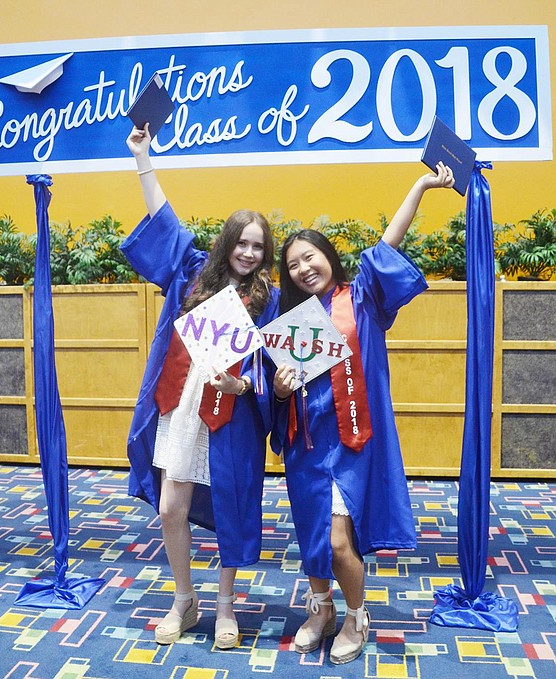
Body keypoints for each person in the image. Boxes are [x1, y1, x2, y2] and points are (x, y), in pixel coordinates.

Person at [271, 162, 455, 665]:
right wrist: (282, 391)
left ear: (329, 257)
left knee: (336, 541)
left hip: (351, 441)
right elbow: (278, 390)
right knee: (311, 531)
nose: (305, 268)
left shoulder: (363, 297)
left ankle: (356, 615)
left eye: (311, 257)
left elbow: (388, 244)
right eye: (293, 265)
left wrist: (420, 186)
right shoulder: (288, 321)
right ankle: (320, 609)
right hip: (305, 444)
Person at [121, 124, 279, 649]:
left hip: (232, 408)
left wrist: (248, 383)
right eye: (242, 242)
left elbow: (274, 358)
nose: (249, 253)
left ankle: (225, 607)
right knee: (171, 508)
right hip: (182, 403)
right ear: (227, 243)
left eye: (258, 246)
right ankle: (183, 599)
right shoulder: (194, 273)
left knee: (232, 506)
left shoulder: (270, 298)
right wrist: (144, 159)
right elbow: (164, 222)